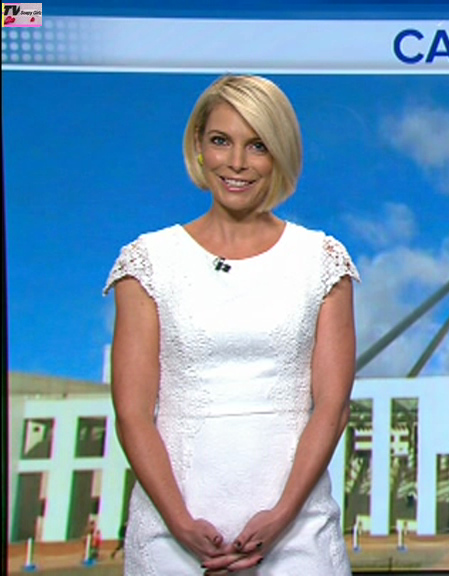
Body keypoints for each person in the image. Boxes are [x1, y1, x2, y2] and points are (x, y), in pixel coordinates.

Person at [105, 74, 359, 575]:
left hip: (296, 533)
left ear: (279, 154)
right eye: (221, 141)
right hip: (171, 531)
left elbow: (332, 409)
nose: (237, 162)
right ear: (199, 147)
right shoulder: (148, 261)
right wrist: (181, 524)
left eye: (257, 145)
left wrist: (281, 518)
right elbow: (132, 413)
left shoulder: (322, 259)